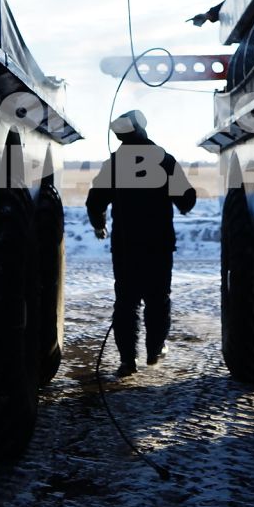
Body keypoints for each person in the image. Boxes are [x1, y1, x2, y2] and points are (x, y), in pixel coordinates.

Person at [86, 111, 197, 377]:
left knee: (126, 301)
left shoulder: (114, 163)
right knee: (158, 298)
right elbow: (186, 201)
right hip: (158, 245)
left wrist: (99, 224)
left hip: (125, 248)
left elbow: (95, 201)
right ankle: (155, 350)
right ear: (141, 129)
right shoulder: (164, 160)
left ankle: (127, 361)